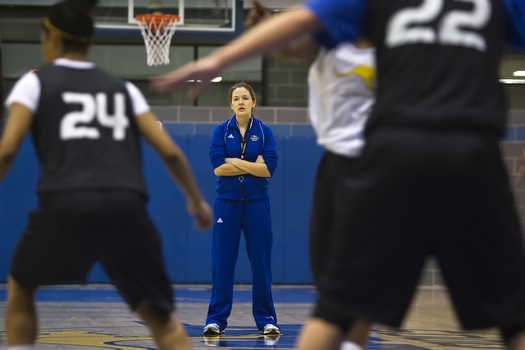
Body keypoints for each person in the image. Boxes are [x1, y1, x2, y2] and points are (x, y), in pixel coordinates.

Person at [153, 0, 525, 349]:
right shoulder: (345, 38)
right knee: (349, 293)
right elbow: (296, 40)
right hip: (447, 153)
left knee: (343, 300)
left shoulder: (374, 15)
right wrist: (261, 34)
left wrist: (219, 58)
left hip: (385, 159)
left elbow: (300, 25)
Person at [0, 1, 212, 349]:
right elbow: (170, 151)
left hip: (64, 202)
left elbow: (8, 149)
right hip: (125, 206)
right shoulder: (123, 88)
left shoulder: (34, 82)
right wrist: (196, 200)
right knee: (159, 317)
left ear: (51, 37)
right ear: (88, 42)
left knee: (21, 288)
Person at [245, 2, 376, 350]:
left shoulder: (399, 41)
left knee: (358, 276)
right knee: (328, 273)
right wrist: (264, 30)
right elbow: (290, 46)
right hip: (338, 164)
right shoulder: (332, 33)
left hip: (382, 165)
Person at [202, 81, 279, 337]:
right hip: (227, 205)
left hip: (258, 205)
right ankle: (215, 320)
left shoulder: (265, 132)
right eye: (236, 98)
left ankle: (267, 319)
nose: (241, 102)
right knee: (222, 263)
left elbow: (268, 168)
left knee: (261, 264)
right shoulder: (220, 132)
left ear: (253, 102)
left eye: (245, 97)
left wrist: (234, 161)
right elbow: (218, 168)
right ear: (231, 104)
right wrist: (250, 164)